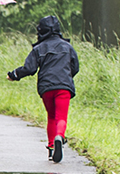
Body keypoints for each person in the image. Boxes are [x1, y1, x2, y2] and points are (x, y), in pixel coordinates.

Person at [7, 14, 80, 163]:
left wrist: (14, 75)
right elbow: (75, 67)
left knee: (51, 116)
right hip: (63, 87)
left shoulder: (39, 48)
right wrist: (66, 75)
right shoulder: (67, 47)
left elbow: (29, 68)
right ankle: (60, 136)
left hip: (46, 88)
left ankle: (52, 147)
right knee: (61, 117)